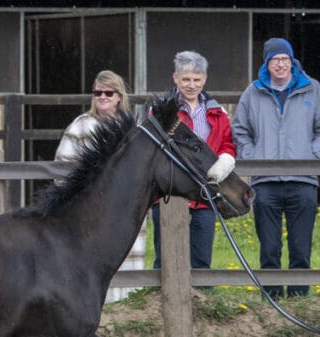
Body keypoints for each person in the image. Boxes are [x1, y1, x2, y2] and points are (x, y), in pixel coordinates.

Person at [231, 37, 320, 299]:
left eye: (284, 59)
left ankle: (299, 298)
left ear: (292, 61)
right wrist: (253, 157)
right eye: (275, 60)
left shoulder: (311, 89)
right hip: (265, 183)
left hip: (303, 181)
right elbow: (240, 130)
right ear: (267, 64)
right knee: (269, 246)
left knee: (301, 246)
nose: (280, 64)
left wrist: (313, 155)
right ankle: (272, 298)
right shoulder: (253, 92)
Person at [54, 70, 141, 302]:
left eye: (108, 93)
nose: (102, 97)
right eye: (98, 92)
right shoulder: (81, 125)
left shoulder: (132, 128)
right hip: (91, 205)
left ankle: (128, 298)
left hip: (124, 202)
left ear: (119, 96)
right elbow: (63, 164)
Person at [151, 51, 236, 275]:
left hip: (205, 195)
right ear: (175, 78)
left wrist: (222, 164)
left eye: (196, 80)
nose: (191, 85)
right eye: (186, 79)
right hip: (170, 193)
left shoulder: (218, 113)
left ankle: (203, 302)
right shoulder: (161, 112)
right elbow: (152, 147)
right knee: (165, 259)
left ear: (204, 80)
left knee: (201, 260)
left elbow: (227, 144)